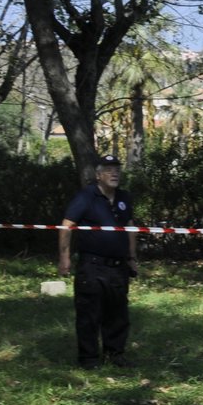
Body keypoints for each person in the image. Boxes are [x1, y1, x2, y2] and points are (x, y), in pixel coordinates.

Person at [58, 153, 138, 368]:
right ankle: (89, 359)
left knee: (118, 314)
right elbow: (67, 225)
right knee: (89, 314)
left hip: (118, 267)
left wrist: (132, 257)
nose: (114, 173)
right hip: (92, 266)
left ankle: (115, 354)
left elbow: (130, 227)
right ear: (98, 174)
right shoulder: (86, 196)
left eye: (117, 170)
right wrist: (64, 257)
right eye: (109, 170)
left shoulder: (124, 197)